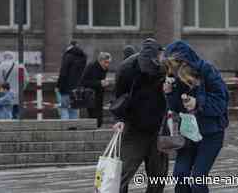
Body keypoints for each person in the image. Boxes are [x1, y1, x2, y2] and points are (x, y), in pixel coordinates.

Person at [163, 40, 229, 193]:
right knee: (180, 176)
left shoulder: (207, 70)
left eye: (175, 64)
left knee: (197, 180)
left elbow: (221, 102)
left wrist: (198, 103)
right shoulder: (175, 76)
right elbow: (175, 107)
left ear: (184, 61)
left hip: (211, 134)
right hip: (188, 133)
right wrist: (170, 93)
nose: (172, 68)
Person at [111, 38, 168, 193]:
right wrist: (119, 119)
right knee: (123, 173)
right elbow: (118, 96)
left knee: (158, 176)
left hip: (159, 129)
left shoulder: (166, 67)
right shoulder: (127, 69)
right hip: (135, 128)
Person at [56, 40, 87, 119]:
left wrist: (59, 86)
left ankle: (65, 129)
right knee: (74, 108)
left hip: (66, 88)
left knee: (64, 108)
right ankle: (73, 128)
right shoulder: (83, 57)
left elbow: (63, 73)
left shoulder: (68, 56)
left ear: (70, 46)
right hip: (77, 89)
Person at [81, 52, 111, 128]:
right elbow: (83, 82)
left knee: (99, 120)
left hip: (99, 96)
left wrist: (104, 83)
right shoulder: (91, 67)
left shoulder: (104, 69)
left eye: (109, 62)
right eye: (106, 62)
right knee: (93, 118)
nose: (107, 65)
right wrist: (100, 83)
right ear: (100, 61)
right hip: (91, 96)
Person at [0, 51, 29, 119]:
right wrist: (21, 89)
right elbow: (26, 79)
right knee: (17, 114)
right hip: (18, 96)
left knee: (8, 114)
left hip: (6, 96)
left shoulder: (2, 65)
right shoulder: (20, 65)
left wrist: (2, 93)